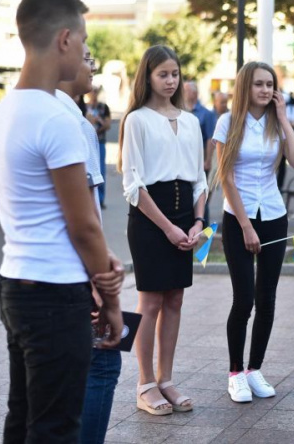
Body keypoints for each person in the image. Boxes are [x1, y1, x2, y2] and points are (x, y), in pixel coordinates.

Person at [0, 0, 124, 442]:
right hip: (53, 294)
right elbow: (83, 225)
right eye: (84, 40)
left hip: (16, 284)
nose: (87, 51)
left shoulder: (4, 111)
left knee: (23, 418)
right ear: (64, 39)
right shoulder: (56, 119)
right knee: (56, 427)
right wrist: (111, 299)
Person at [119, 45, 207, 416]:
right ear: (148, 77)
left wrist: (199, 222)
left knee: (176, 299)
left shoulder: (190, 121)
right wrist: (169, 228)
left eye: (174, 74)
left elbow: (200, 178)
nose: (170, 81)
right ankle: (144, 385)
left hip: (186, 213)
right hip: (150, 218)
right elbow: (133, 185)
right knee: (151, 301)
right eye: (162, 75)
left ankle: (166, 379)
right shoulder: (136, 119)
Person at [212, 61, 294, 403]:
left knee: (267, 298)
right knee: (244, 299)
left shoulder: (275, 124)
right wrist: (246, 226)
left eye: (270, 84)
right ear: (245, 88)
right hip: (239, 219)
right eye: (258, 84)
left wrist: (283, 119)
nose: (265, 90)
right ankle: (235, 372)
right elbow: (226, 178)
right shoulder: (227, 122)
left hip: (274, 215)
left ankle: (255, 369)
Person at [56, 50, 123, 444]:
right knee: (101, 363)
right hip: (72, 273)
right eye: (86, 55)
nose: (93, 68)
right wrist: (103, 287)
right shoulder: (73, 122)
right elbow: (86, 218)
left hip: (24, 277)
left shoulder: (18, 111)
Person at [185, 81, 217, 223]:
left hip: (200, 159)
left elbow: (210, 138)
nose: (184, 93)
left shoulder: (206, 114)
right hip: (185, 160)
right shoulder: (181, 111)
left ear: (195, 93)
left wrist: (208, 160)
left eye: (187, 90)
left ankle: (204, 225)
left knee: (201, 192)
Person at [86, 86, 112, 209]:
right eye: (91, 92)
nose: (93, 94)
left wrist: (98, 123)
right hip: (87, 142)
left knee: (100, 170)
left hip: (100, 141)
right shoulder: (84, 107)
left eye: (95, 92)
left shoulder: (103, 107)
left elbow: (108, 124)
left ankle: (100, 199)